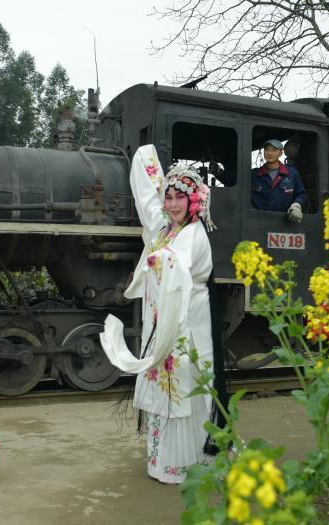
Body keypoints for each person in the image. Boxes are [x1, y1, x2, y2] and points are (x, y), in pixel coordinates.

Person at [100, 144, 218, 484]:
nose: (172, 204)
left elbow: (179, 269)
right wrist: (147, 158)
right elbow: (146, 196)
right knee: (163, 390)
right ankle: (162, 461)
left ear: (193, 201)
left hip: (186, 328)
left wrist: (161, 261)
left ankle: (185, 463)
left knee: (184, 388)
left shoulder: (195, 235)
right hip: (161, 326)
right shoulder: (165, 231)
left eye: (180, 197)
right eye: (169, 197)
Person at [250, 139, 307, 222]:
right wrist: (223, 174)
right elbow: (235, 182)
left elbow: (301, 194)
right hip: (258, 222)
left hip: (284, 224)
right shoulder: (254, 174)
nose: (269, 153)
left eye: (274, 150)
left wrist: (297, 205)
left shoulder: (292, 173)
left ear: (281, 153)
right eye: (266, 150)